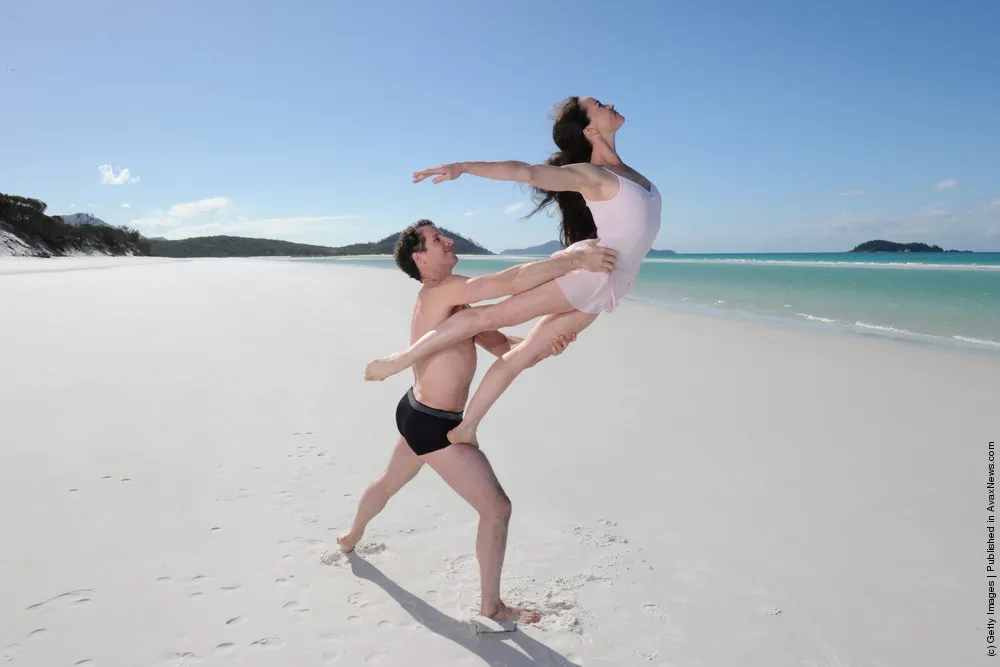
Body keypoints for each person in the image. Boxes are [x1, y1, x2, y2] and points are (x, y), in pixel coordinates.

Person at [338, 219, 616, 625]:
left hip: (416, 410)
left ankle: (351, 536)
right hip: (435, 425)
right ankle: (492, 607)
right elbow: (507, 282)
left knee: (390, 480)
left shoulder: (455, 304)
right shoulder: (441, 291)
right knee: (497, 508)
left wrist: (546, 344)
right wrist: (573, 260)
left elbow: (501, 344)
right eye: (437, 240)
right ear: (420, 258)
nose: (448, 241)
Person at [363, 96, 662, 447]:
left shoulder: (633, 174)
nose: (609, 103)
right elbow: (525, 171)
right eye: (598, 104)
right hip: (590, 271)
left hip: (613, 281)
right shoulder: (592, 175)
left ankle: (466, 427)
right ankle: (401, 359)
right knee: (490, 316)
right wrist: (463, 167)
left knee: (523, 356)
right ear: (590, 129)